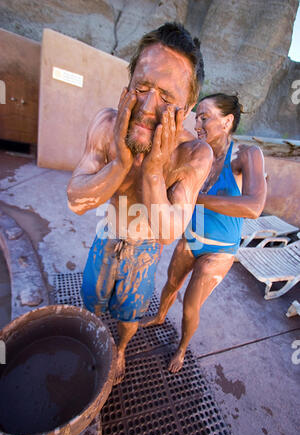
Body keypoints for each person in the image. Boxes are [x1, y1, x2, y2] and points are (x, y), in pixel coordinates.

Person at [67, 23, 213, 384]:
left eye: (166, 98)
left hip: (144, 250)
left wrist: (152, 170)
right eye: (142, 87)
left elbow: (167, 234)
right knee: (93, 300)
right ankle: (95, 341)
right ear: (128, 83)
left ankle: (119, 350)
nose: (148, 107)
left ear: (189, 106)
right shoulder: (107, 123)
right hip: (107, 235)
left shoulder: (193, 154)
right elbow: (76, 200)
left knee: (130, 316)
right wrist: (120, 163)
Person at [141, 93, 267, 373]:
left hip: (219, 251)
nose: (198, 123)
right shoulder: (197, 150)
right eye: (196, 117)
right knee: (170, 284)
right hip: (190, 239)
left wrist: (196, 199)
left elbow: (254, 206)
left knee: (189, 306)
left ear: (227, 121)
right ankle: (160, 317)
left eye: (205, 117)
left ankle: (182, 349)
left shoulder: (245, 155)